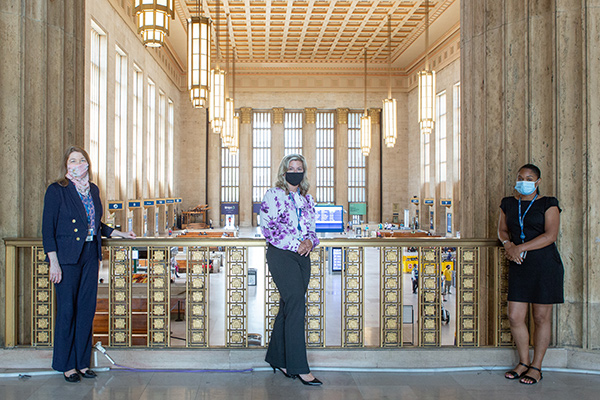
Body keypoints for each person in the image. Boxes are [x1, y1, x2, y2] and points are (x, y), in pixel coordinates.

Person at [42, 146, 136, 382]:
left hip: (89, 254)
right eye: (73, 160)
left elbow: (94, 223)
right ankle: (66, 365)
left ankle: (82, 363)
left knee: (86, 310)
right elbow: (47, 229)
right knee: (67, 311)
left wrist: (119, 234)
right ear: (66, 165)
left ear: (88, 164)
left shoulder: (93, 189)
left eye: (82, 160)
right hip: (66, 258)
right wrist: (53, 262)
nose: (78, 164)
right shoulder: (57, 190)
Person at [497, 163, 564, 385]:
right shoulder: (508, 203)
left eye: (528, 177)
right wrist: (508, 245)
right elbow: (502, 230)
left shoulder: (548, 203)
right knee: (515, 316)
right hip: (519, 264)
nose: (523, 181)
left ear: (537, 182)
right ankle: (523, 362)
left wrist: (520, 248)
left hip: (544, 264)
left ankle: (537, 366)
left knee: (540, 317)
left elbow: (550, 235)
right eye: (520, 177)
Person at [260, 153, 322, 386]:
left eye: (299, 168)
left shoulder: (307, 200)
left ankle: (277, 359)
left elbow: (313, 230)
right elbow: (269, 229)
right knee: (297, 305)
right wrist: (297, 243)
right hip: (281, 254)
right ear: (284, 171)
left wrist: (309, 242)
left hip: (303, 257)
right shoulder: (273, 195)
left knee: (288, 306)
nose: (295, 171)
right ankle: (299, 367)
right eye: (291, 168)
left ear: (303, 172)